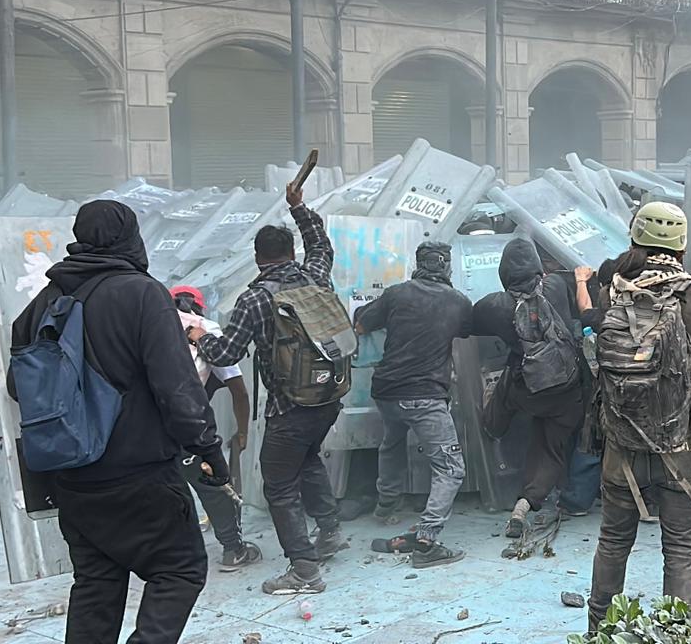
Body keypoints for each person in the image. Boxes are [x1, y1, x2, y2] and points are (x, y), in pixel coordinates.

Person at [9, 200, 227, 643]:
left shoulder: (42, 305)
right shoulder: (143, 294)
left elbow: (19, 387)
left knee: (96, 584)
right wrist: (209, 451)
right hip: (140, 474)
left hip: (72, 480)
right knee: (180, 569)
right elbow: (178, 389)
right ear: (129, 237)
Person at [192, 184, 345, 595]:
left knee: (277, 484)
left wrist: (197, 337)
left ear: (258, 259)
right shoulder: (315, 277)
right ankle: (329, 532)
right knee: (306, 458)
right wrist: (300, 208)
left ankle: (304, 570)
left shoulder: (255, 299)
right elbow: (321, 244)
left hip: (290, 406)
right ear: (291, 254)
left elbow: (225, 353)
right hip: (328, 396)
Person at [586, 202, 691, 630]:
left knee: (613, 540)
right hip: (681, 443)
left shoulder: (612, 288)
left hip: (621, 442)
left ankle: (599, 631)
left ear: (634, 237)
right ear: (681, 245)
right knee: (681, 549)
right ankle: (676, 634)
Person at [354, 241, 473, 568]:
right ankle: (426, 540)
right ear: (447, 267)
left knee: (392, 443)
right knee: (450, 468)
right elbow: (467, 331)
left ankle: (386, 505)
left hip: (387, 392)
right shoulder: (459, 303)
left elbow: (361, 323)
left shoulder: (397, 293)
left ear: (418, 264)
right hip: (425, 396)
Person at [472, 238, 586, 535]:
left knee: (504, 387)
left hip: (527, 391)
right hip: (567, 389)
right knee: (549, 450)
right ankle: (525, 503)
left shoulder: (494, 306)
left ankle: (493, 427)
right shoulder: (557, 288)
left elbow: (469, 324)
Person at [170, 285, 262, 572]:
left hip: (148, 427)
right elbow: (240, 392)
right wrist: (243, 432)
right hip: (190, 426)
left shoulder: (156, 328)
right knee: (214, 485)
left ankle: (169, 556)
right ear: (199, 309)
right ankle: (233, 551)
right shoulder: (206, 333)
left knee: (165, 489)